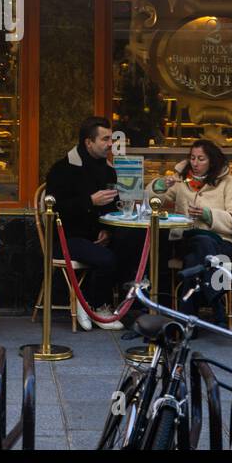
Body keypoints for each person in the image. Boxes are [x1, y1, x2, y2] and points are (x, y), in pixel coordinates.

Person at [43, 116, 140, 330]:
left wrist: (108, 230)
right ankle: (96, 306)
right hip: (66, 237)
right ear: (88, 142)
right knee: (106, 259)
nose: (110, 144)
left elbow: (112, 206)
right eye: (105, 139)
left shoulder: (107, 170)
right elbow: (55, 209)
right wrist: (89, 201)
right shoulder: (63, 170)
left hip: (96, 236)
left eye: (111, 139)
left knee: (134, 242)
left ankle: (99, 301)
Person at [161, 139, 232, 323]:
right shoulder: (181, 180)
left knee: (195, 259)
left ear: (212, 161)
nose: (195, 163)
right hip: (186, 240)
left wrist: (209, 216)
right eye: (192, 158)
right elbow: (154, 201)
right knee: (201, 242)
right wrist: (162, 185)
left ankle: (187, 322)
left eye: (201, 159)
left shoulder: (228, 183)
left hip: (221, 243)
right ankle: (214, 296)